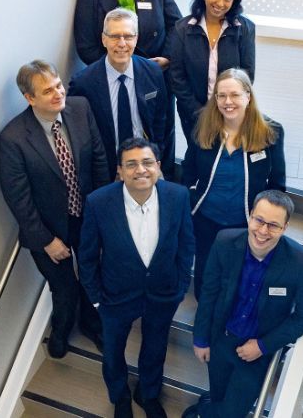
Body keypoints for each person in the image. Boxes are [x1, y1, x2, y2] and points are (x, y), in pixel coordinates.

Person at [0, 60, 109, 359]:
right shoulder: (13, 139)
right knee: (64, 288)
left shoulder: (80, 109)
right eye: (48, 91)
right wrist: (46, 240)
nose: (59, 93)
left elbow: (98, 160)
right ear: (30, 98)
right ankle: (60, 332)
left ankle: (92, 325)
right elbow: (18, 199)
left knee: (90, 277)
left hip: (85, 216)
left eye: (58, 85)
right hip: (47, 229)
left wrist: (101, 217)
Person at [79, 138, 195, 418]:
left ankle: (149, 393)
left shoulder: (178, 196)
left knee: (155, 347)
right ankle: (120, 397)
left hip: (162, 293)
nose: (140, 170)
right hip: (115, 296)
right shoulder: (99, 202)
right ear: (119, 171)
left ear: (158, 167)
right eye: (131, 164)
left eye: (147, 162)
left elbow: (186, 244)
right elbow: (87, 256)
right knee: (113, 352)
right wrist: (95, 299)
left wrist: (179, 288)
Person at [183, 190, 303, 418]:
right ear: (250, 216)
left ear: (285, 227)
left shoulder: (301, 263)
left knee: (232, 412)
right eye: (259, 220)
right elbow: (209, 293)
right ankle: (208, 407)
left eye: (273, 225)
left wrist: (263, 346)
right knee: (219, 395)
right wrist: (201, 338)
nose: (263, 231)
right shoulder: (225, 241)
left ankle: (204, 412)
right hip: (221, 339)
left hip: (256, 352)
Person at [73, 0, 182, 179]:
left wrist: (165, 59)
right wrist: (117, 66)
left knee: (159, 131)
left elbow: (176, 24)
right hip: (116, 77)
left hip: (156, 74)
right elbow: (86, 46)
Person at [182, 68, 285, 299]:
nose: (228, 102)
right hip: (206, 220)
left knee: (237, 284)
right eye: (221, 96)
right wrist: (189, 202)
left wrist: (266, 222)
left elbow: (277, 184)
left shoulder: (271, 132)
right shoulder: (203, 126)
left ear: (248, 96)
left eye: (235, 95)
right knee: (205, 283)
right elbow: (188, 173)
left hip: (245, 223)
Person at [69, 8, 168, 180]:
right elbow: (80, 137)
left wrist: (155, 157)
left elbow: (161, 120)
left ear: (136, 38)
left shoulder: (153, 72)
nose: (122, 43)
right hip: (109, 171)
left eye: (128, 36)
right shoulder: (83, 83)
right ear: (104, 39)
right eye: (115, 36)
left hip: (146, 165)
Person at [169, 0, 256, 142]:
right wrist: (200, 114)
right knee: (198, 157)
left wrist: (226, 107)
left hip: (231, 111)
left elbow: (246, 74)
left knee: (225, 158)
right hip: (192, 113)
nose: (221, 3)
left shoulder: (244, 28)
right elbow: (177, 76)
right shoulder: (183, 28)